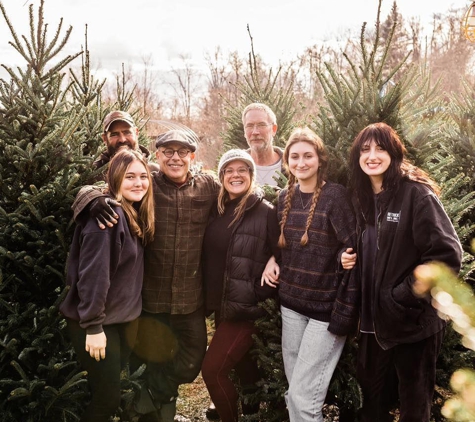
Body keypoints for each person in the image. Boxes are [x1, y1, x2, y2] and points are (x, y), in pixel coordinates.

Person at [72, 129, 220, 422]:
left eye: (182, 152)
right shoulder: (148, 182)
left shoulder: (208, 186)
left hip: (189, 298)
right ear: (159, 155)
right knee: (150, 361)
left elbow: (238, 188)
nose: (175, 158)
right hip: (150, 299)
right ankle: (152, 414)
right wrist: (91, 199)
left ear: (193, 157)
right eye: (168, 151)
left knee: (191, 361)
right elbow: (106, 184)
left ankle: (154, 397)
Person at [341, 122, 462, 422]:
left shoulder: (415, 195)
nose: (372, 155)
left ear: (394, 153)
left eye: (380, 148)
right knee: (371, 409)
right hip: (371, 326)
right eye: (365, 149)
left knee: (414, 410)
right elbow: (358, 244)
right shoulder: (360, 197)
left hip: (412, 326)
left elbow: (446, 256)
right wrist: (343, 256)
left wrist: (401, 297)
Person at [262, 127, 359, 422]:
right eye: (294, 157)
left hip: (324, 314)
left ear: (320, 159)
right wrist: (270, 260)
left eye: (308, 156)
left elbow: (353, 242)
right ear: (287, 161)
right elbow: (283, 246)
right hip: (291, 306)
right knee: (297, 394)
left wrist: (345, 256)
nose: (301, 162)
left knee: (303, 399)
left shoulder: (334, 197)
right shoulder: (283, 198)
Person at [60, 148, 155, 422]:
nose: (138, 183)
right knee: (107, 399)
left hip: (120, 321)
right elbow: (93, 276)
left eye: (143, 176)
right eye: (129, 177)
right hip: (97, 325)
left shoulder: (132, 213)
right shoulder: (107, 218)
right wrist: (93, 326)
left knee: (109, 393)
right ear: (114, 180)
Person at [200, 149, 280, 422]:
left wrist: (262, 287)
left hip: (246, 309)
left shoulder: (264, 211)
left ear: (251, 175)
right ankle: (251, 414)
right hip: (223, 306)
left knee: (213, 370)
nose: (236, 175)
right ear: (221, 176)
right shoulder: (217, 209)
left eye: (242, 170)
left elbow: (284, 252)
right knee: (245, 368)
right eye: (229, 171)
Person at [242, 102, 284, 186]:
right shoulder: (235, 166)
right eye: (249, 126)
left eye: (261, 125)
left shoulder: (292, 165)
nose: (255, 132)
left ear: (274, 129)